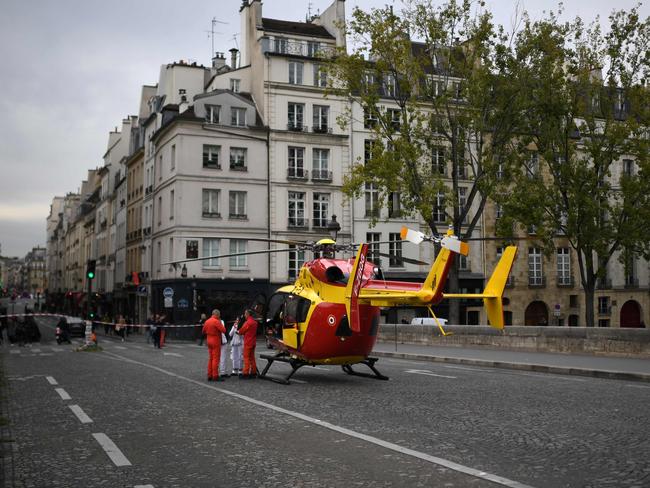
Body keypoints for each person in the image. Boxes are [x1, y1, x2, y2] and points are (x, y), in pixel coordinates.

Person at [202, 309, 226, 381]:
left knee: (211, 358)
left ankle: (209, 375)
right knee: (216, 358)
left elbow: (203, 331)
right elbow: (223, 330)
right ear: (217, 315)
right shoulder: (217, 321)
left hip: (209, 340)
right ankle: (215, 375)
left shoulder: (207, 321)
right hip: (215, 340)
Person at [237, 309, 258, 379]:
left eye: (245, 314)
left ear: (248, 314)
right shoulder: (255, 322)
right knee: (252, 358)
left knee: (246, 357)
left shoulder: (248, 322)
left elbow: (242, 330)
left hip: (248, 342)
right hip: (253, 341)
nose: (245, 315)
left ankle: (246, 373)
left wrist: (239, 332)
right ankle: (253, 372)